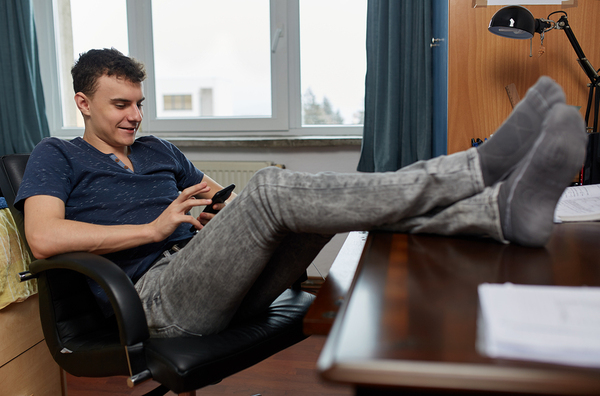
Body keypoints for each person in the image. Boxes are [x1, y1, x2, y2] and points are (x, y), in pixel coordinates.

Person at [15, 48, 587, 338]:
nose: (136, 115)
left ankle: (496, 213)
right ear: (84, 104)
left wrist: (220, 212)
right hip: (150, 300)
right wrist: (154, 228)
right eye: (121, 105)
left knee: (311, 207)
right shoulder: (56, 155)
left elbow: (216, 199)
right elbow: (44, 237)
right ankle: (475, 172)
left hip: (209, 277)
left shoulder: (158, 149)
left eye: (140, 102)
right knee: (272, 189)